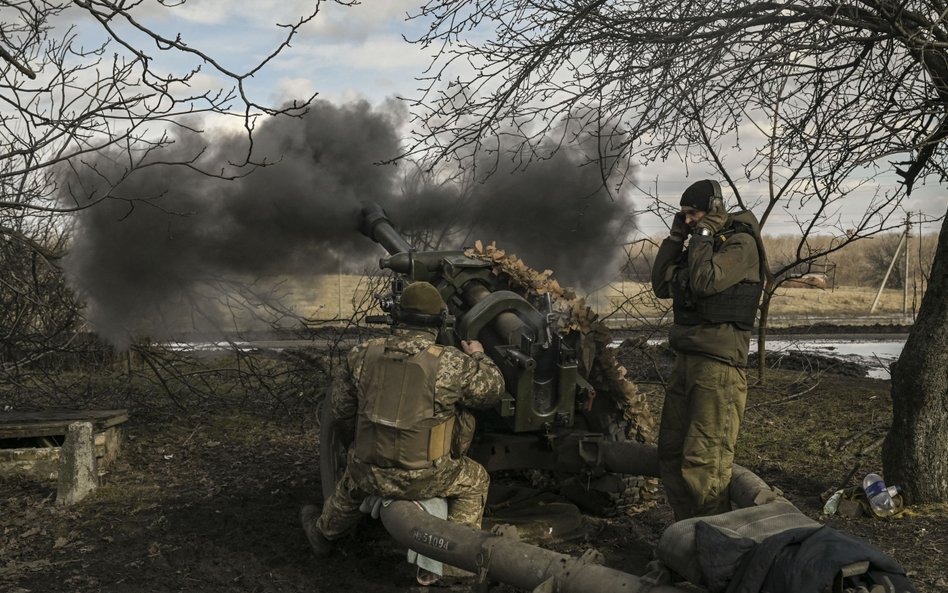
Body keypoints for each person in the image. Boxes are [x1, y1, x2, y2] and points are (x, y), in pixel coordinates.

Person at [300, 281, 505, 574]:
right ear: (438, 321)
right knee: (476, 479)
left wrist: (361, 448)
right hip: (427, 477)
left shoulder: (362, 354)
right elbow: (493, 389)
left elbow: (341, 411)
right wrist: (478, 354)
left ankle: (323, 535)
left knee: (352, 480)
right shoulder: (452, 364)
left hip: (370, 470)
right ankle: (455, 556)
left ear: (397, 317)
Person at [650, 179, 767, 520]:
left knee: (705, 463)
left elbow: (703, 282)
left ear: (714, 211)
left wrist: (700, 237)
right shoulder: (701, 247)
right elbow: (660, 285)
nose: (688, 221)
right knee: (671, 454)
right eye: (684, 215)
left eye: (694, 214)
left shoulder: (740, 245)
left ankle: (712, 547)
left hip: (719, 370)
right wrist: (675, 240)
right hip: (687, 361)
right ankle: (685, 539)